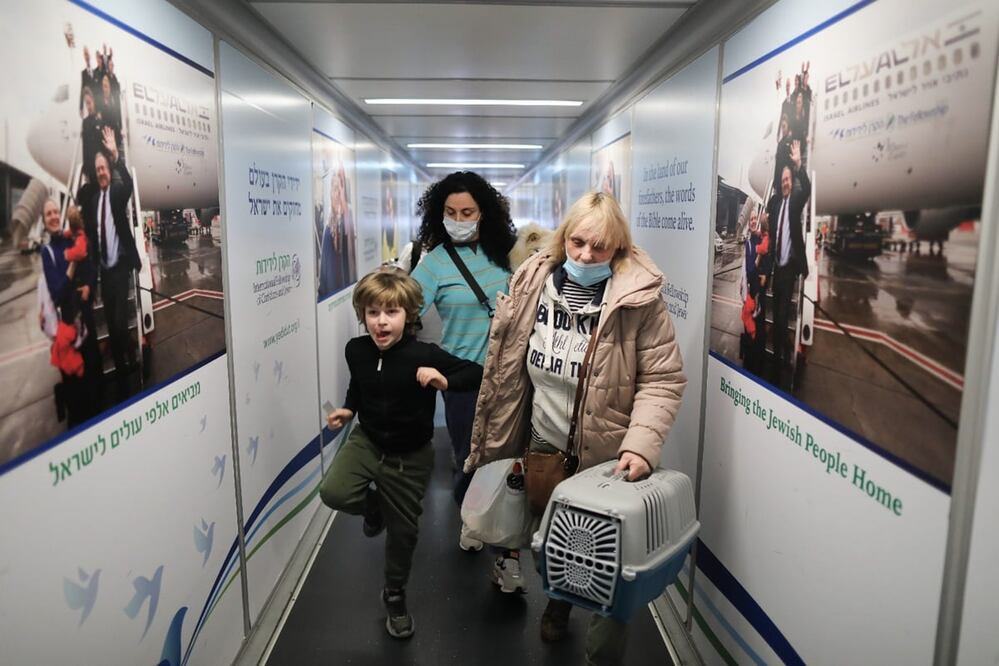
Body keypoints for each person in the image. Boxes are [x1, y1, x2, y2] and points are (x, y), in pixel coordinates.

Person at [464, 191, 686, 665]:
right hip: (546, 442)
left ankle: (602, 649)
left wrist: (643, 446)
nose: (586, 255)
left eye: (600, 247)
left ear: (618, 249)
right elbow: (508, 362)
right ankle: (559, 604)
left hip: (612, 454)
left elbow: (663, 379)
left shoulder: (639, 299)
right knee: (557, 541)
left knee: (611, 560)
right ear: (564, 239)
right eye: (578, 242)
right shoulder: (533, 282)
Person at [319, 267, 483, 639]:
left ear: (408, 316)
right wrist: (348, 410)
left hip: (411, 455)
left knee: (403, 533)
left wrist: (444, 381)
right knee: (334, 492)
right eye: (373, 312)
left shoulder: (424, 354)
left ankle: (394, 593)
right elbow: (358, 387)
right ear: (362, 316)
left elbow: (476, 372)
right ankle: (373, 507)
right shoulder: (355, 350)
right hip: (368, 441)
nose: (381, 322)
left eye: (391, 312)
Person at [409, 171, 517, 560]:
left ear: (483, 213)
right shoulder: (434, 263)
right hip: (463, 378)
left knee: (509, 465)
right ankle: (471, 519)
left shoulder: (508, 254)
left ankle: (506, 554)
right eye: (451, 212)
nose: (459, 218)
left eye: (467, 211)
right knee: (468, 461)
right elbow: (404, 309)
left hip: (513, 378)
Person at [79, 128, 139, 399]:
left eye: (105, 167)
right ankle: (124, 356)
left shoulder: (116, 192)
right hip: (104, 270)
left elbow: (127, 184)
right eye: (98, 169)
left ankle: (125, 375)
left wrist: (117, 156)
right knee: (116, 328)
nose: (102, 172)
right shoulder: (92, 201)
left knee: (116, 324)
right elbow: (89, 228)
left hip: (120, 269)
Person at [40, 201, 98, 425]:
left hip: (83, 318)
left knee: (91, 379)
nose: (54, 216)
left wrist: (89, 286)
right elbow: (57, 293)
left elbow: (91, 265)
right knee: (75, 392)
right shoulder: (47, 252)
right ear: (45, 222)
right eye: (49, 214)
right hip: (66, 326)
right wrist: (72, 266)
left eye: (56, 212)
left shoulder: (69, 238)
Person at [766, 141, 811, 386]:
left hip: (790, 269)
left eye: (787, 179)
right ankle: (780, 352)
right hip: (776, 268)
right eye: (782, 179)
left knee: (782, 316)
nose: (785, 182)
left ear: (791, 182)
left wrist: (798, 166)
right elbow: (769, 231)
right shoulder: (775, 204)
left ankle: (779, 363)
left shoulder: (795, 201)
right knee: (779, 318)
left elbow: (808, 190)